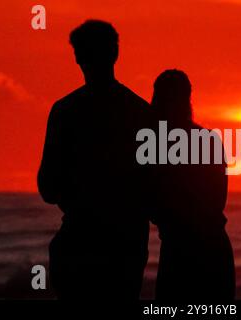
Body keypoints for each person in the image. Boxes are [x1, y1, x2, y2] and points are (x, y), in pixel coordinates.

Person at [37, 20, 153, 299]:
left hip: (79, 245)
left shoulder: (65, 112)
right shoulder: (141, 112)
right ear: (115, 54)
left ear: (78, 57)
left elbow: (48, 188)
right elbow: (154, 188)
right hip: (126, 247)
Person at [151, 69, 235, 300]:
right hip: (213, 249)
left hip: (180, 252)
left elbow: (154, 208)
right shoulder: (209, 140)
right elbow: (219, 201)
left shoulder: (155, 147)